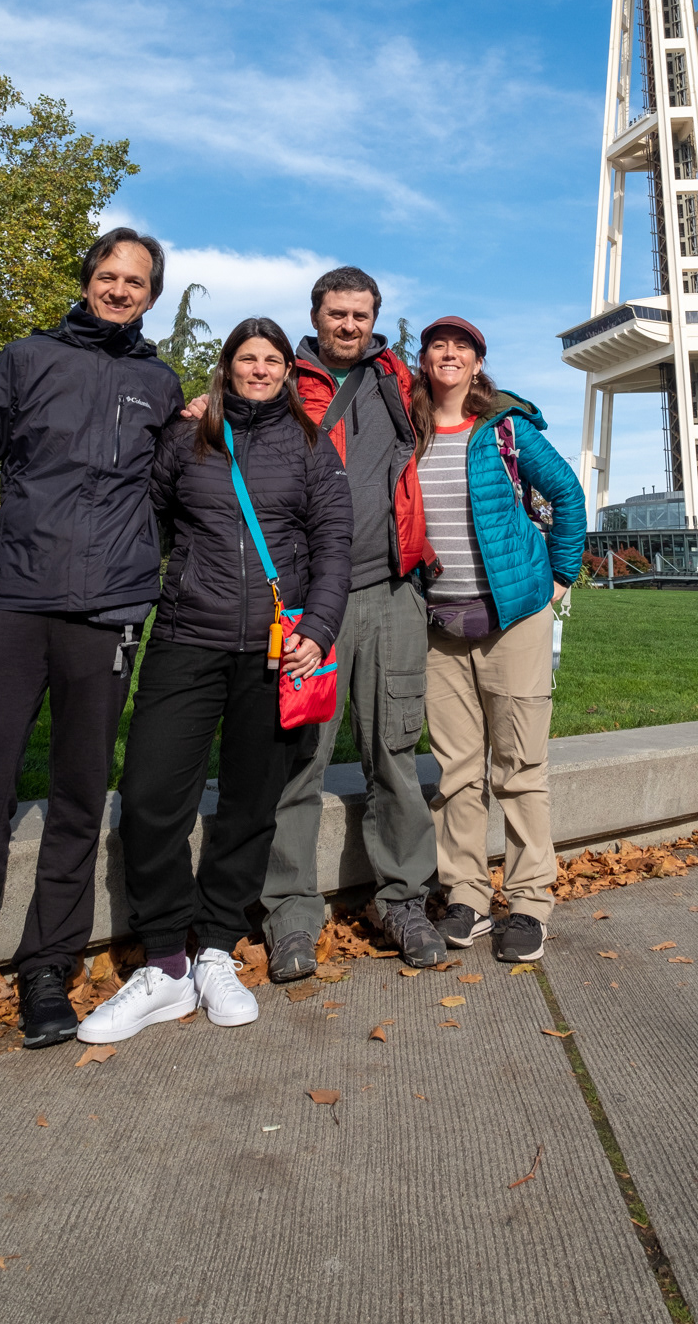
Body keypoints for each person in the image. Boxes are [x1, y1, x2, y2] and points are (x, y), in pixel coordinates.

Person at [0, 229, 184, 1077]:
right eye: (108, 276)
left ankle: (48, 972)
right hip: (12, 604)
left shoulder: (158, 384)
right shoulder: (24, 360)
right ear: (87, 280)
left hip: (108, 615)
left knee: (77, 797)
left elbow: (171, 491)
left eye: (135, 281)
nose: (119, 290)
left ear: (151, 294)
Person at [76, 318, 352, 1043]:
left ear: (288, 372)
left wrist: (317, 630)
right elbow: (153, 524)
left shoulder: (309, 446)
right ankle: (165, 962)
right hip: (186, 640)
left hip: (276, 653)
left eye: (272, 360)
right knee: (149, 795)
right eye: (246, 358)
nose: (259, 369)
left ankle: (216, 948)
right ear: (226, 366)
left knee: (249, 803)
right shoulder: (186, 438)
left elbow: (333, 547)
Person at [256, 268, 445, 975]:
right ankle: (290, 915)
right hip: (311, 601)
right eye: (337, 314)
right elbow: (228, 423)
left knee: (393, 753)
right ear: (315, 314)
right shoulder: (281, 376)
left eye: (361, 315)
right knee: (299, 761)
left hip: (393, 593)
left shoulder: (396, 379)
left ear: (374, 319)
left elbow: (461, 400)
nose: (348, 326)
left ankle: (401, 899)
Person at [411, 316, 586, 963]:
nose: (449, 354)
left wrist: (559, 578)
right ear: (424, 359)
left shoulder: (506, 426)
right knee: (455, 772)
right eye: (438, 345)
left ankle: (529, 900)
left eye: (462, 346)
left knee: (518, 767)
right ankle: (466, 894)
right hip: (438, 624)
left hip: (513, 619)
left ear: (478, 362)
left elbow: (566, 494)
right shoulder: (409, 426)